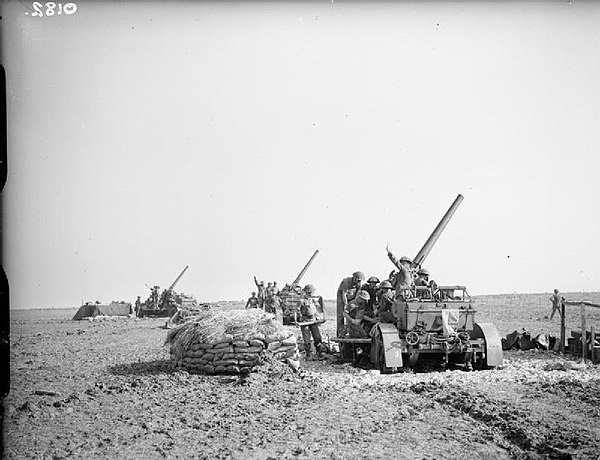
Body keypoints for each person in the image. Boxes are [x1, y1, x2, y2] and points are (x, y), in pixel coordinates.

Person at [298, 284, 325, 360]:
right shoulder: (302, 301)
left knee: (317, 337)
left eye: (311, 292)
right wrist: (297, 320)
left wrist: (318, 318)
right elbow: (297, 311)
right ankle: (308, 354)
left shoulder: (313, 300)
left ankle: (319, 353)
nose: (310, 294)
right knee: (306, 339)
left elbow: (317, 310)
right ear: (305, 292)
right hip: (305, 321)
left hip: (313, 320)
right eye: (308, 292)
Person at [336, 271, 366, 337]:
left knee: (353, 310)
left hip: (352, 295)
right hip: (341, 296)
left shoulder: (359, 284)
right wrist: (346, 304)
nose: (359, 282)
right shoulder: (347, 281)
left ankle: (350, 330)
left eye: (360, 281)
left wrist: (354, 304)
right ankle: (340, 332)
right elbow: (344, 294)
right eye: (358, 280)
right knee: (341, 314)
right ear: (354, 278)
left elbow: (357, 294)